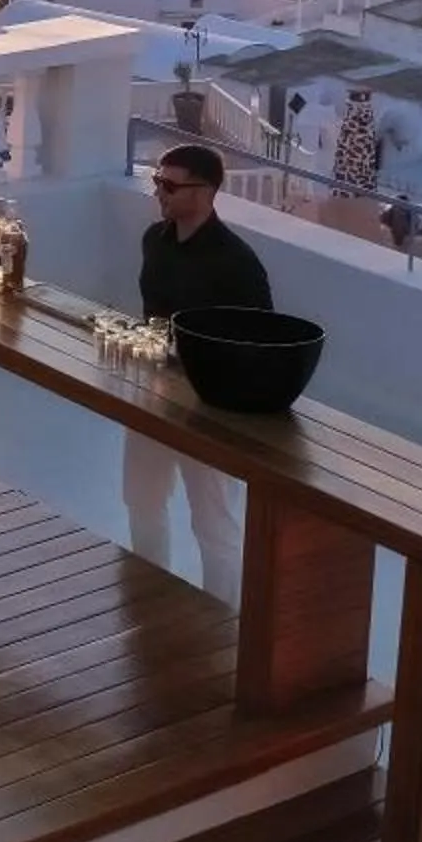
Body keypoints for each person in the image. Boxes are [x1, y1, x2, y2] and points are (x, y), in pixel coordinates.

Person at [127, 144, 274, 601]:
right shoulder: (155, 240)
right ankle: (152, 597)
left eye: (170, 186)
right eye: (157, 182)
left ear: (205, 192)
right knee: (142, 499)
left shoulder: (238, 264)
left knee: (213, 523)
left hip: (207, 405)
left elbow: (263, 339)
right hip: (153, 389)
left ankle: (220, 619)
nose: (160, 193)